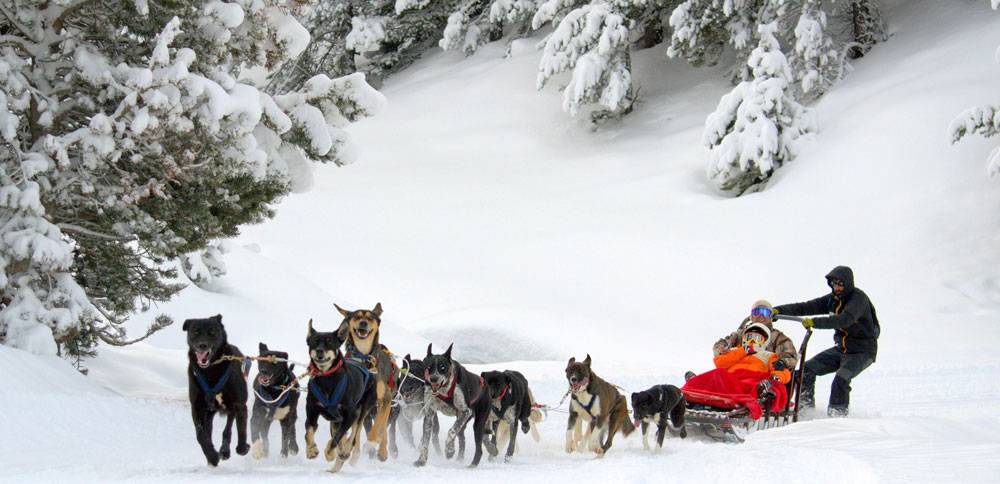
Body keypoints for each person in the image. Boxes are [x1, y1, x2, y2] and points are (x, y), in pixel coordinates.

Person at [774, 265, 880, 417]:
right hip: (842, 349)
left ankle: (837, 418)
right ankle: (806, 411)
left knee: (841, 379)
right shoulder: (833, 300)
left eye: (840, 284)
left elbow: (844, 320)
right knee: (806, 370)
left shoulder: (858, 299)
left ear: (848, 284)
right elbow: (806, 307)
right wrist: (778, 310)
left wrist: (814, 322)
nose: (836, 287)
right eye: (834, 284)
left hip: (862, 352)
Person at [681, 322, 791, 420]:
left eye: (757, 339)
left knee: (752, 384)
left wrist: (777, 377)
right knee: (718, 373)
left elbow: (782, 371)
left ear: (764, 342)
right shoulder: (736, 351)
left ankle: (760, 391)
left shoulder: (769, 356)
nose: (752, 341)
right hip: (730, 379)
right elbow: (720, 363)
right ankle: (693, 386)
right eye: (749, 338)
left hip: (751, 380)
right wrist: (743, 351)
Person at [713, 300, 797, 372]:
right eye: (757, 312)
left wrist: (783, 362)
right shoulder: (741, 334)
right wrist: (721, 348)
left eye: (765, 312)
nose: (761, 315)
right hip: (737, 371)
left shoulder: (778, 337)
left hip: (763, 374)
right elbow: (725, 343)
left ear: (771, 317)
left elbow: (790, 355)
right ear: (751, 317)